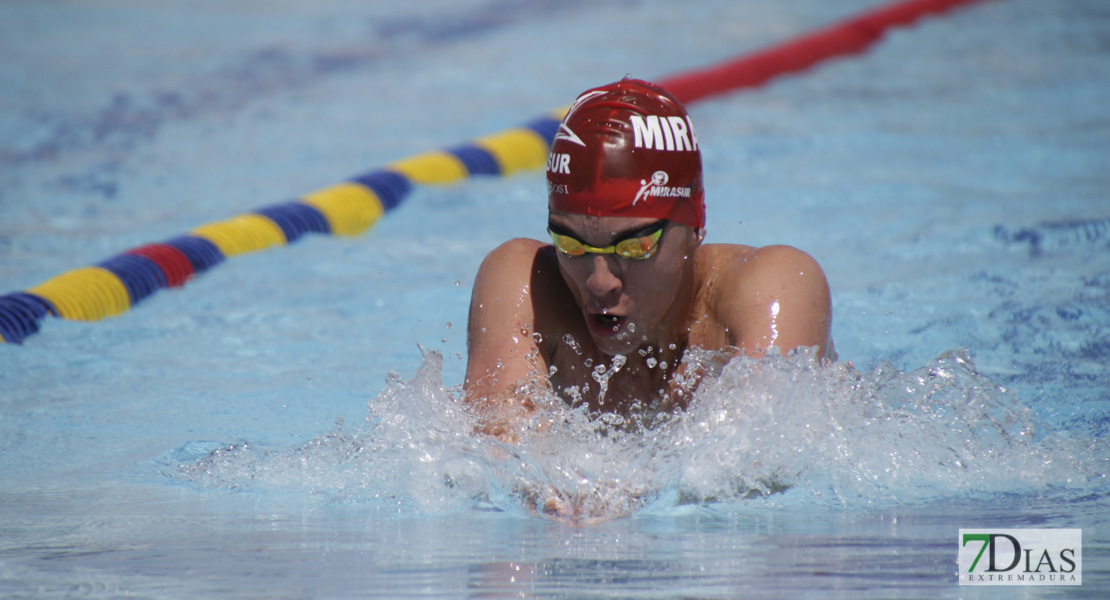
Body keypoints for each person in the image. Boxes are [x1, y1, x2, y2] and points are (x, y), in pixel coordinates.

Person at [464, 78, 834, 440]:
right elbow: (499, 447)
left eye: (633, 247)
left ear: (695, 227)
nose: (599, 282)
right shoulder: (523, 280)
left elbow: (760, 455)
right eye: (572, 244)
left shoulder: (776, 287)